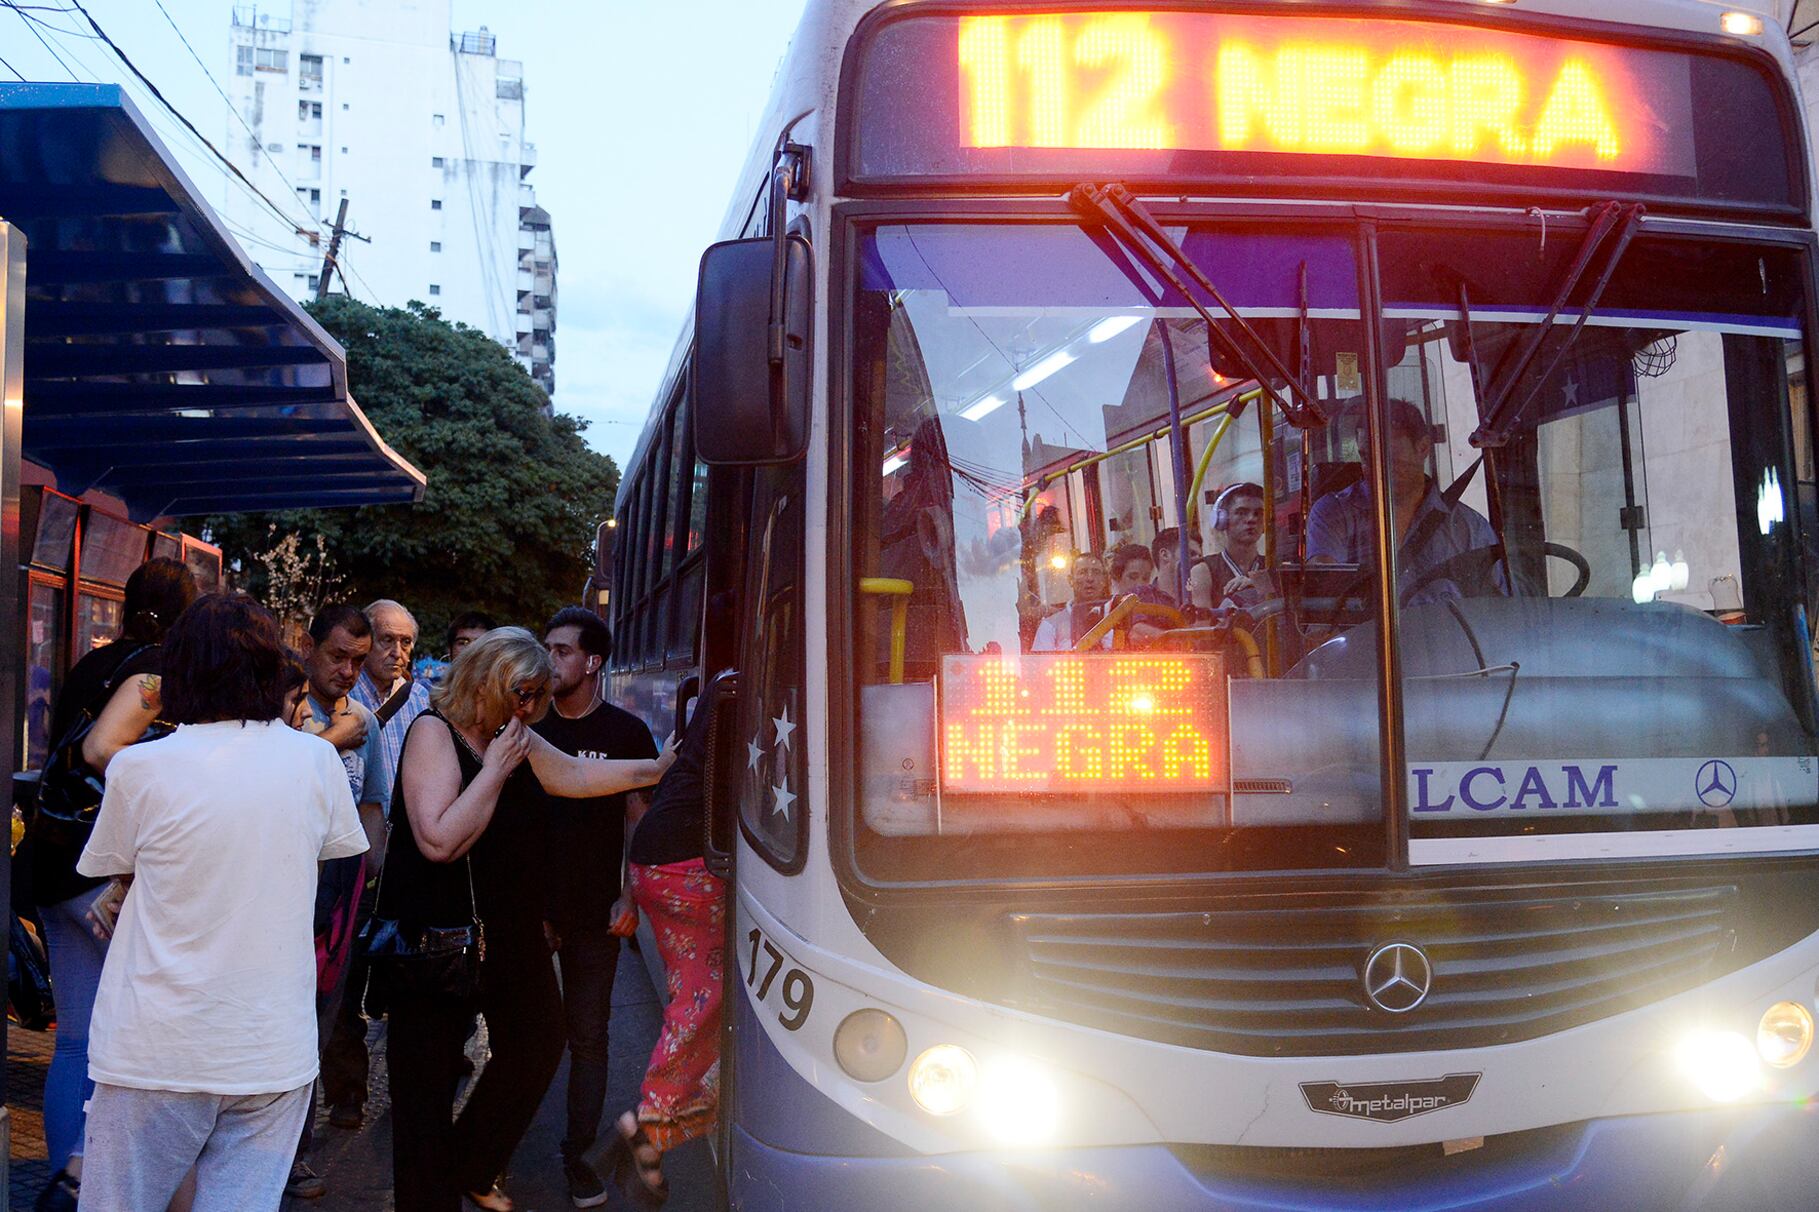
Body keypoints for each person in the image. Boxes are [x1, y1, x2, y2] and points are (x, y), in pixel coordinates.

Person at [75, 594, 368, 1212]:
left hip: (153, 1046)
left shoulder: (142, 769)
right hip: (270, 1048)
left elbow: (119, 868)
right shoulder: (317, 760)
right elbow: (320, 854)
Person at [383, 628, 672, 1212]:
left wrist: (656, 768)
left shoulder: (512, 735)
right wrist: (493, 769)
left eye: (535, 696)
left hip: (507, 933)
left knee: (541, 1042)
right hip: (438, 942)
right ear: (488, 678)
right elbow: (438, 840)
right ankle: (434, 1189)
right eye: (521, 692)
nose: (528, 708)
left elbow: (575, 776)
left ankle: (467, 1164)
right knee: (425, 1095)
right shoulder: (434, 733)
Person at [25, 557, 195, 1212]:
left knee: (74, 1037)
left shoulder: (89, 667)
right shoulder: (160, 675)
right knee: (125, 1041)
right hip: (105, 874)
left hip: (51, 862)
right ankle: (92, 1182)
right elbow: (108, 751)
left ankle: (63, 1181)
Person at [534, 607, 658, 1207]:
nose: (549, 659)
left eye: (561, 651)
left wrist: (631, 895)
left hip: (595, 913)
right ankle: (491, 1152)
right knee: (527, 1038)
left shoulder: (626, 734)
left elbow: (640, 823)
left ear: (592, 662)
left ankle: (578, 1158)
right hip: (530, 910)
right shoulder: (527, 726)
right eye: (546, 649)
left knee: (589, 1039)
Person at [605, 699, 723, 1210]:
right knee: (706, 995)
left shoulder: (724, 686)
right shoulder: (749, 681)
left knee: (699, 992)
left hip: (663, 857)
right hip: (683, 861)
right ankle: (649, 1128)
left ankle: (656, 1126)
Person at [299, 605, 392, 1132]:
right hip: (289, 889)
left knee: (325, 1021)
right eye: (338, 657)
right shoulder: (289, 713)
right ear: (309, 648)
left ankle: (301, 1145)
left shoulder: (365, 723)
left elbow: (373, 805)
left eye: (358, 661)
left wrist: (368, 878)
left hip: (341, 896)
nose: (348, 671)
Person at [1306, 399, 1500, 606]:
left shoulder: (1470, 528)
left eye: (1389, 457)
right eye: (1365, 457)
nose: (1375, 469)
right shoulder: (1333, 515)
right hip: (1364, 637)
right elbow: (1324, 596)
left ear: (1423, 448)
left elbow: (1496, 609)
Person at [1193, 482, 1270, 610]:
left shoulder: (1274, 567)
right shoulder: (1203, 571)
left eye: (1258, 513)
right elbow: (1202, 627)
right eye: (1241, 512)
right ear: (1222, 520)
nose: (1251, 519)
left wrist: (1256, 585)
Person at [1030, 551, 1111, 652]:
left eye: (1096, 572)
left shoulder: (1120, 619)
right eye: (1082, 572)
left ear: (1104, 580)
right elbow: (1039, 666)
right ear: (1070, 580)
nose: (1090, 578)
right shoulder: (1050, 626)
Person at [1150, 527, 1202, 606]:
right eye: (1191, 554)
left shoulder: (1200, 596)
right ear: (1165, 555)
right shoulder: (1145, 600)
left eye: (1199, 556)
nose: (1198, 561)